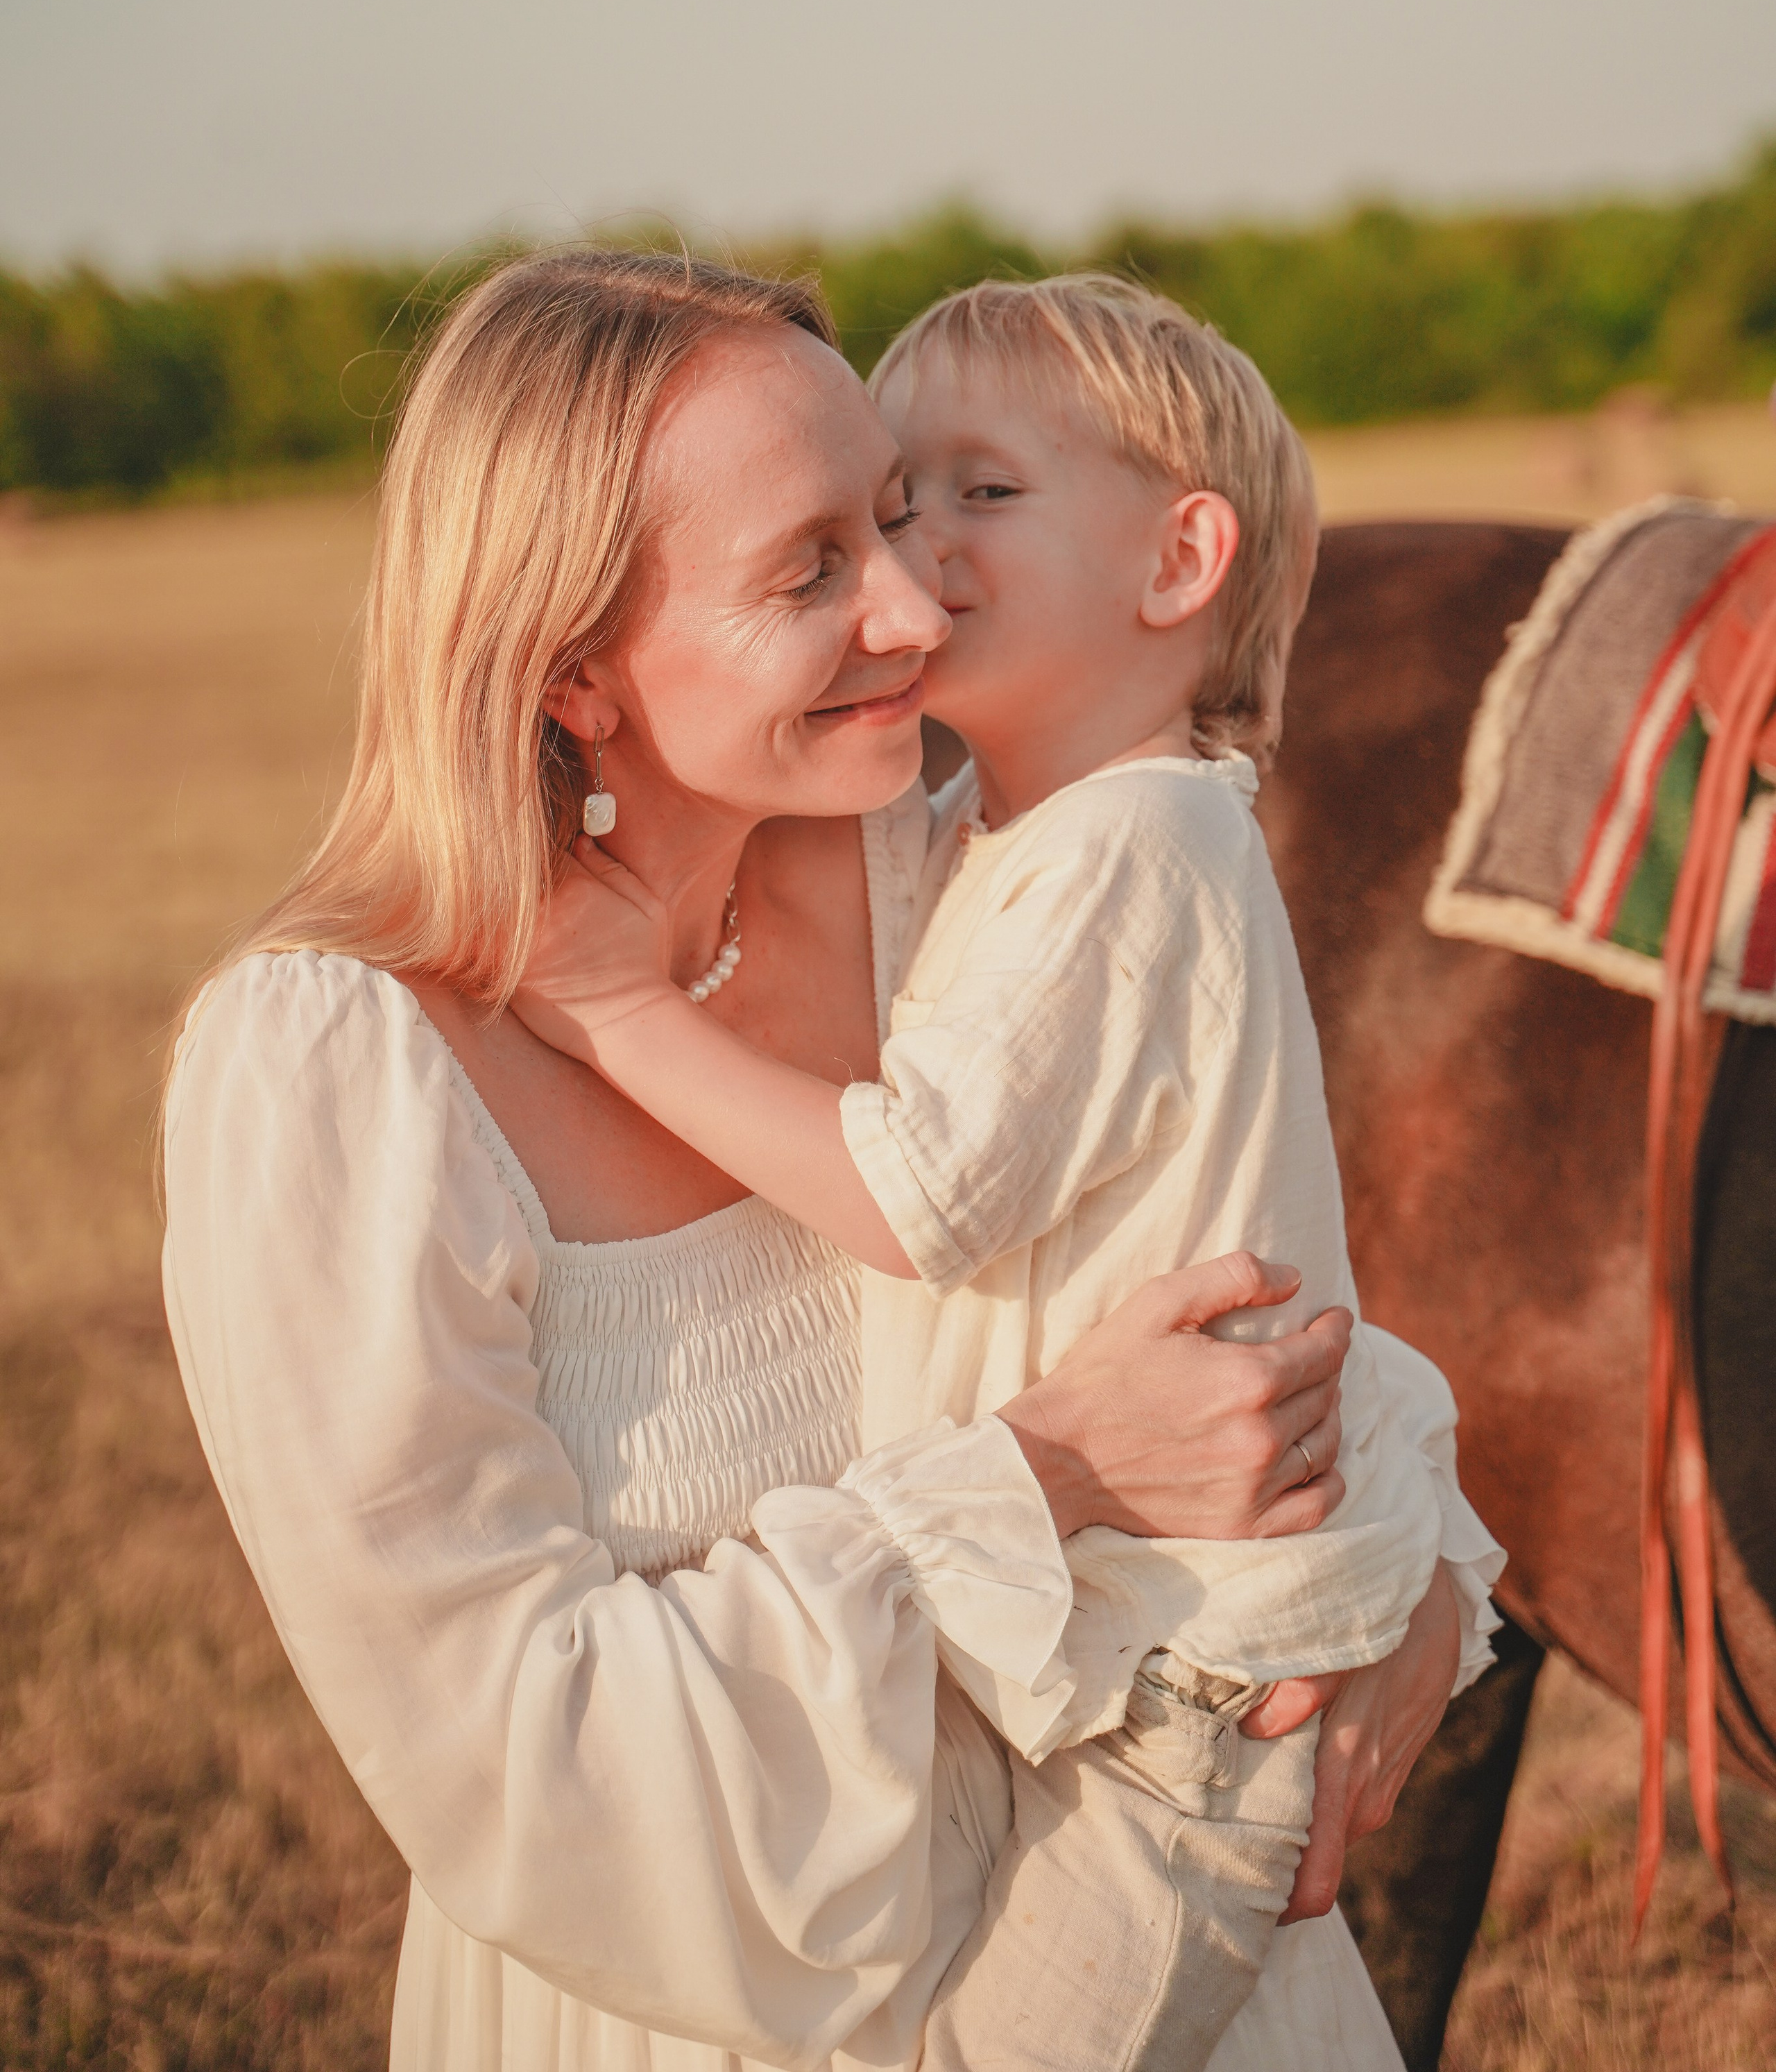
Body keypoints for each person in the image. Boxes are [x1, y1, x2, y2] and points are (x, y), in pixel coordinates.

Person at [162, 249, 1494, 2072]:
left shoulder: (951, 873)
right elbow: (517, 1762)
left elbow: (1230, 1256)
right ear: (572, 674)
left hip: (1188, 1951)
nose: (914, 607)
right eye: (812, 569)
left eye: (898, 512)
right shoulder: (341, 1068)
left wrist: (1422, 1581)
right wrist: (1047, 1474)